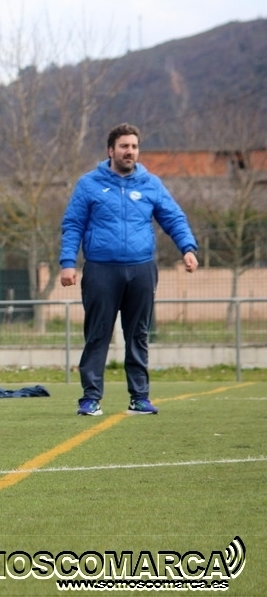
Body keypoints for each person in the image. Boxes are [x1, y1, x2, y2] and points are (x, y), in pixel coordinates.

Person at [60, 122, 198, 417]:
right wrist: (68, 263)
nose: (130, 151)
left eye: (134, 146)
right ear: (111, 150)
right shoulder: (89, 184)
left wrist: (187, 248)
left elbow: (173, 218)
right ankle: (90, 398)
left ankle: (139, 398)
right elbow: (73, 225)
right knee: (97, 334)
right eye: (124, 146)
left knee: (138, 334)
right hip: (101, 270)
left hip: (141, 270)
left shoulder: (151, 184)